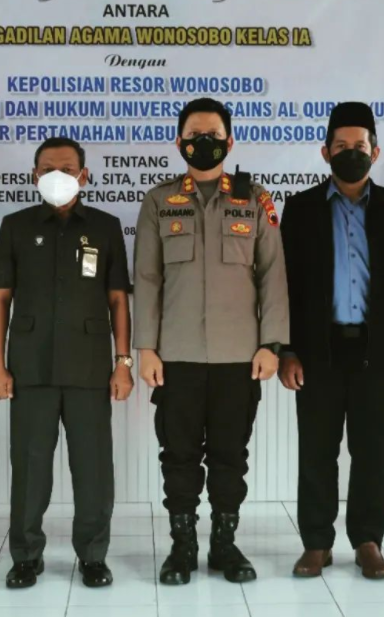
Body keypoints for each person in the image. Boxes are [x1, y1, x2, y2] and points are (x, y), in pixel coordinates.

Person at [133, 97, 289, 585]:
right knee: (178, 456)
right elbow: (147, 278)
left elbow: (273, 276)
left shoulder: (255, 200)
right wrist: (146, 348)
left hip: (238, 357)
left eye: (214, 135)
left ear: (230, 141)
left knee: (229, 456)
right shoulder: (159, 201)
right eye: (195, 135)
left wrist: (271, 344)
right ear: (179, 142)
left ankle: (225, 545)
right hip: (175, 356)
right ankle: (182, 548)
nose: (204, 142)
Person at [279, 101, 384, 580]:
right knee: (316, 453)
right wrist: (287, 351)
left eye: (359, 146)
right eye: (340, 146)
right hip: (317, 354)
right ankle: (316, 543)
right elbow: (285, 287)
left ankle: (367, 541)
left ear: (375, 152)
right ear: (325, 152)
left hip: (377, 355)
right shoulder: (300, 209)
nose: (350, 153)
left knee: (371, 453)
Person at [0, 137, 132, 590]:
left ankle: (93, 555)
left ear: (84, 176)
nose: (57, 176)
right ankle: (26, 556)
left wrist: (123, 362)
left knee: (93, 469)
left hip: (89, 367)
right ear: (34, 175)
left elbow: (118, 300)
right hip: (30, 367)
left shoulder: (106, 227)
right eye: (48, 168)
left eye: (67, 169)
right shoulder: (15, 226)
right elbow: (0, 300)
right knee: (30, 468)